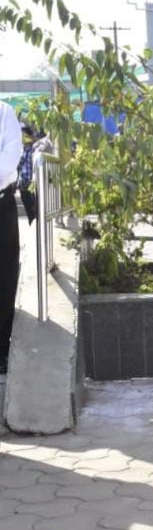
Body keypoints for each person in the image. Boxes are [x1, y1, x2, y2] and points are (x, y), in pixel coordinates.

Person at [0, 101, 24, 375]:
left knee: (4, 275)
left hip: (1, 204)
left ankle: (1, 349)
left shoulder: (4, 113)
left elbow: (8, 161)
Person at [18, 125, 38, 226]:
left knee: (34, 206)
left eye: (24, 135)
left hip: (32, 184)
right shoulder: (21, 150)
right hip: (23, 183)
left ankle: (35, 222)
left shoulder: (34, 149)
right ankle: (31, 221)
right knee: (27, 206)